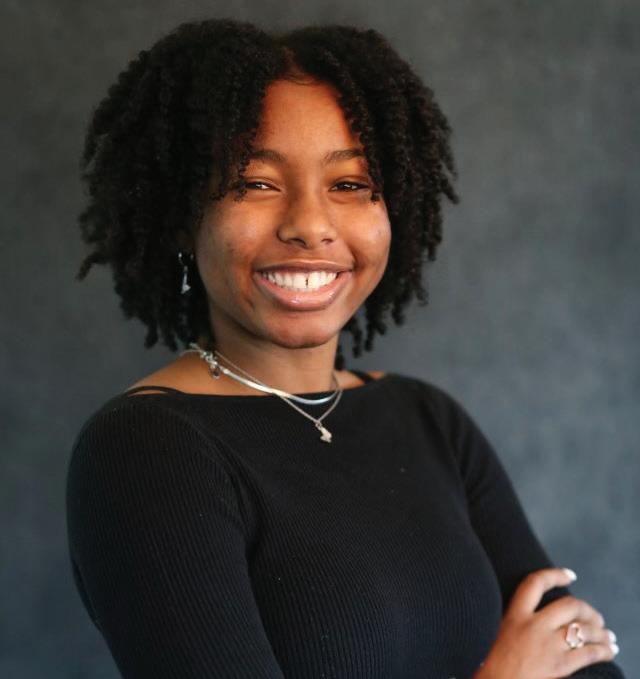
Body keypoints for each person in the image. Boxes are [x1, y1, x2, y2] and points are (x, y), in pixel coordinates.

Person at [65, 17, 625, 679]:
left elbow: (585, 665)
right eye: (256, 182)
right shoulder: (146, 449)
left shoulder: (428, 421)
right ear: (185, 218)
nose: (309, 225)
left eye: (351, 184)